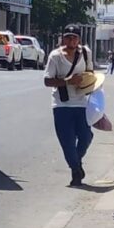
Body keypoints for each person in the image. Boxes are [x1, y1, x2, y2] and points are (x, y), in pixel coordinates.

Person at [43, 28, 95, 186]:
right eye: (68, 38)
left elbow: (91, 72)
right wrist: (67, 80)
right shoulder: (56, 56)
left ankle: (76, 162)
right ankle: (75, 170)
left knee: (86, 136)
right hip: (62, 104)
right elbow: (47, 81)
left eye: (75, 38)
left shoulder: (85, 53)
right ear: (63, 39)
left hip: (82, 102)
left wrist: (86, 81)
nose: (72, 41)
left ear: (79, 39)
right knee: (67, 141)